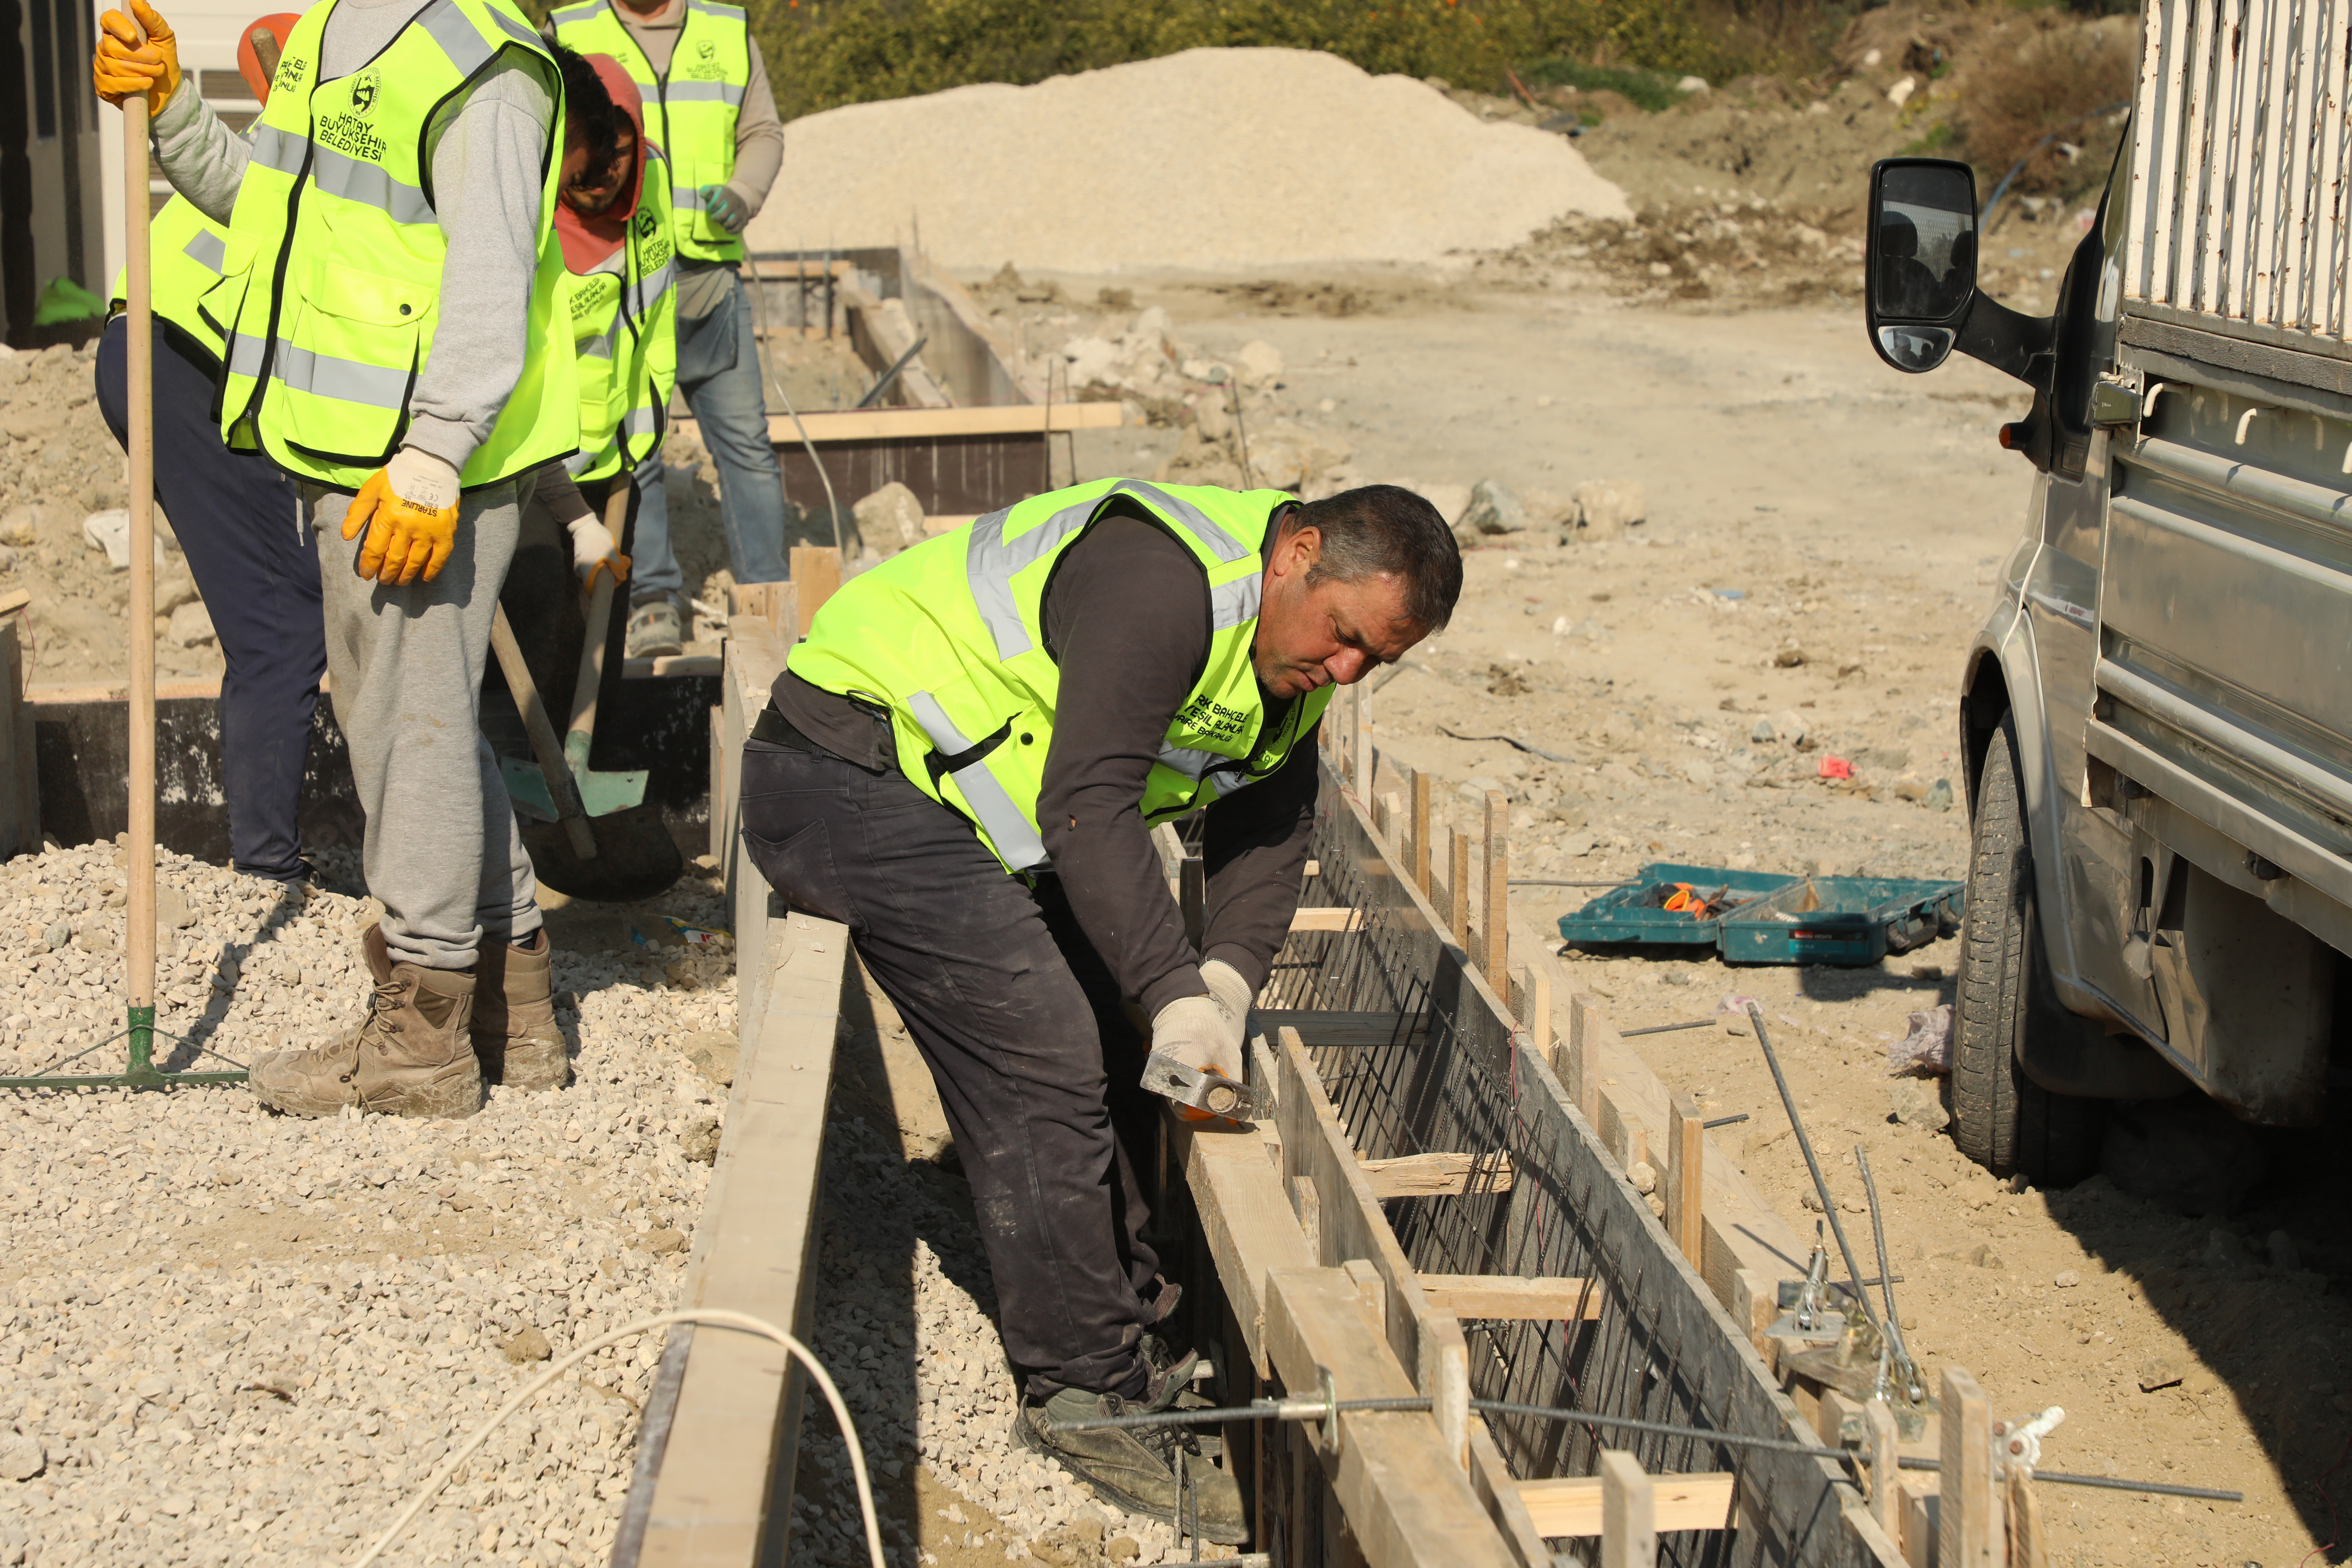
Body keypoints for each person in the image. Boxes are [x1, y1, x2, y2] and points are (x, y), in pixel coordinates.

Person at [738, 480, 1461, 1537]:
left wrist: (1219, 987)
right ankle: (1084, 1392)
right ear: (1297, 552)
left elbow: (1268, 816)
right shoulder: (1162, 583)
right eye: (1345, 636)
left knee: (1117, 1030)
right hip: (841, 772)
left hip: (964, 819)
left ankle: (1136, 1311)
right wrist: (1171, 991)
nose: (1345, 671)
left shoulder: (1295, 658)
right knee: (1044, 1043)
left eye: (1375, 663)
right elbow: (1087, 801)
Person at [93, 0, 582, 1117]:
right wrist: (174, 115)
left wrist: (434, 456)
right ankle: (512, 1003)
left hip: (411, 471)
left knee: (403, 739)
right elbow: (272, 217)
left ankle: (422, 1039)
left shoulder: (480, 60)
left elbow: (492, 274)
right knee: (421, 724)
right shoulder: (332, 26)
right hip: (346, 457)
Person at [91, 11, 323, 892]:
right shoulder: (338, 162)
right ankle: (266, 870)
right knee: (281, 622)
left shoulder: (291, 134)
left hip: (153, 351)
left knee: (279, 607)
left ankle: (266, 853)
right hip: (184, 364)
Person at [547, 0, 789, 659]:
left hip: (706, 277)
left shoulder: (725, 30)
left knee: (745, 447)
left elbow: (762, 132)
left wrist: (741, 194)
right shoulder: (569, 31)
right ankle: (653, 597)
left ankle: (768, 594)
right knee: (636, 445)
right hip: (614, 277)